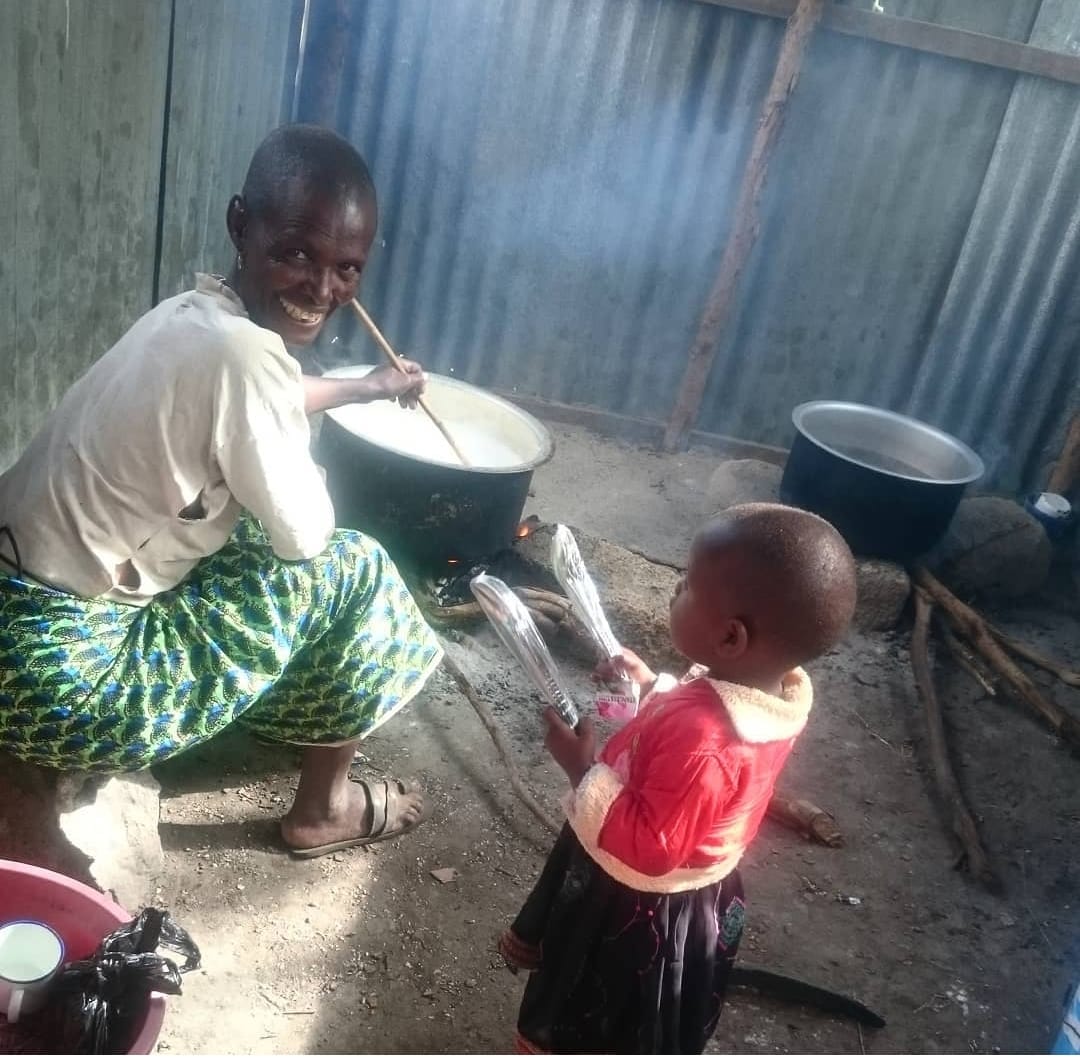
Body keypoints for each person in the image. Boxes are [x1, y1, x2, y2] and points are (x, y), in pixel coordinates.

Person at [0, 124, 444, 858]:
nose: (322, 289)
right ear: (242, 224)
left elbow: (262, 393)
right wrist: (309, 464)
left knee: (234, 525)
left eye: (348, 270)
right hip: (56, 681)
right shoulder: (246, 359)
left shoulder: (191, 318)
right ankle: (323, 810)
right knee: (351, 569)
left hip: (13, 623)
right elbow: (304, 533)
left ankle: (281, 722)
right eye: (298, 253)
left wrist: (370, 386)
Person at [499, 502, 858, 1053]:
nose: (674, 590)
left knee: (602, 1011)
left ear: (732, 639)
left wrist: (581, 769)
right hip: (698, 886)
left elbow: (651, 846)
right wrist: (651, 689)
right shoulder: (765, 694)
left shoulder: (706, 741)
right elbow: (693, 725)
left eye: (687, 585)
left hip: (640, 904)